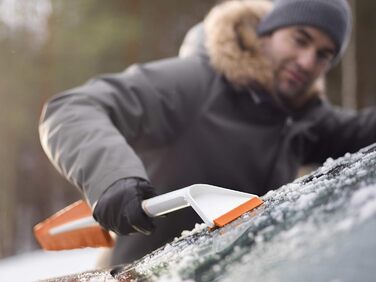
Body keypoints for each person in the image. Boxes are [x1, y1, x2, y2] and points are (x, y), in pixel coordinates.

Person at [39, 0, 376, 265]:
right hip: (146, 273)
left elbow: (363, 131)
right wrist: (112, 178)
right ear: (266, 32)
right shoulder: (195, 83)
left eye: (323, 55)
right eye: (300, 40)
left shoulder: (303, 119)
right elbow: (73, 108)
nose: (307, 61)